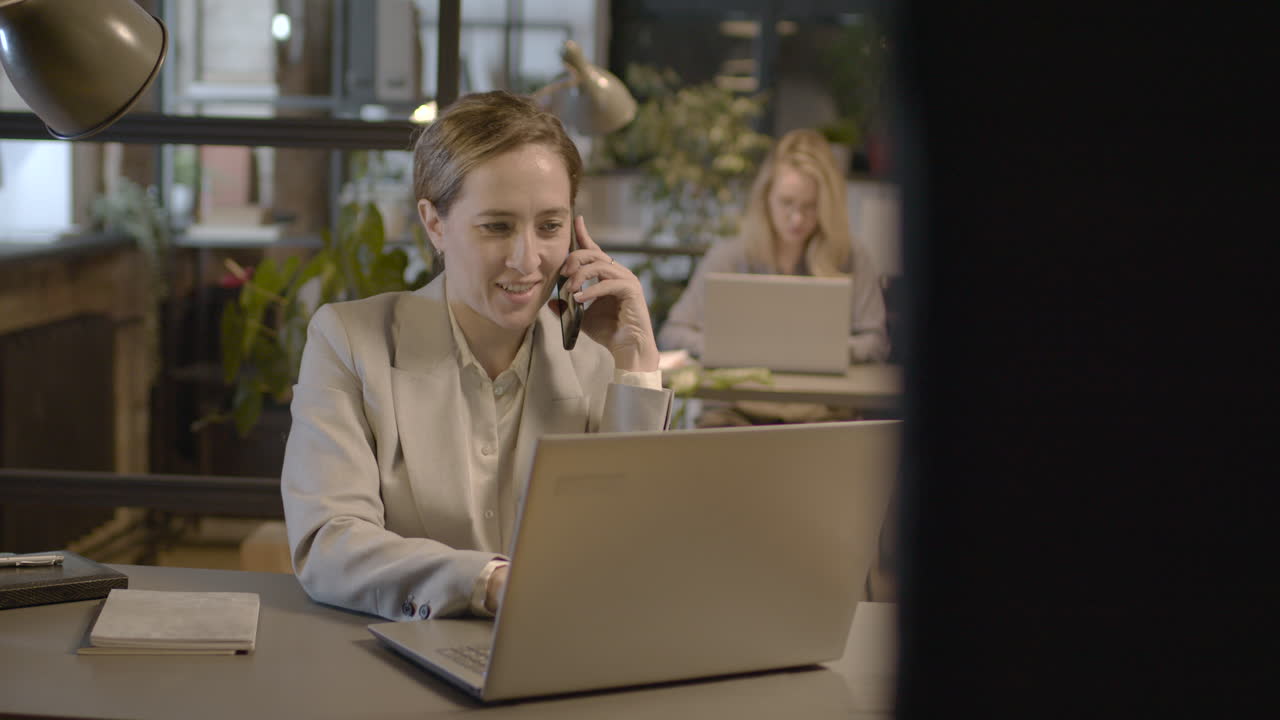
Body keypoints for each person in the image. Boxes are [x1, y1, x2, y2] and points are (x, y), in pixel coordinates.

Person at [280, 91, 673, 622]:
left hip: (562, 658)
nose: (527, 259)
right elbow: (329, 543)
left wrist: (637, 367)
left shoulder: (597, 356)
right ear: (435, 223)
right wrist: (489, 582)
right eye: (497, 226)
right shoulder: (349, 341)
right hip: (396, 665)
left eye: (551, 226)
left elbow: (635, 550)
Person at [658, 128, 890, 426]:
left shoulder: (851, 256)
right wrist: (729, 347)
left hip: (823, 412)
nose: (797, 218)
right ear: (766, 197)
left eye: (810, 207)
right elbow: (673, 331)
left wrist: (829, 351)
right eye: (787, 203)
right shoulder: (730, 256)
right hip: (737, 411)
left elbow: (876, 340)